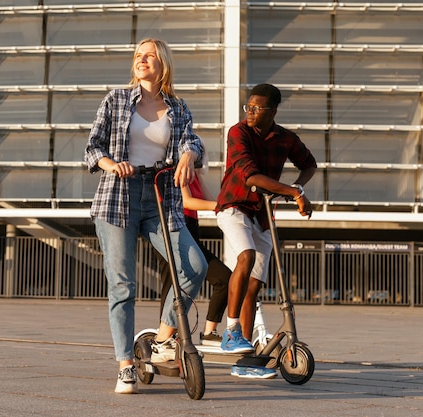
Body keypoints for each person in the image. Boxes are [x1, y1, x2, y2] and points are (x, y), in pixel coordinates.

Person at [84, 38, 208, 394]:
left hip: (160, 198)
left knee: (194, 266)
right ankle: (125, 364)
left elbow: (192, 141)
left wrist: (187, 156)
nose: (142, 60)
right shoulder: (117, 99)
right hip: (117, 197)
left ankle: (162, 339)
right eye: (138, 56)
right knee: (123, 285)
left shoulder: (178, 106)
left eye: (149, 56)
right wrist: (112, 164)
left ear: (162, 63)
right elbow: (93, 147)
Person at [215, 83, 317, 379]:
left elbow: (309, 164)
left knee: (254, 286)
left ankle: (244, 361)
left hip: (262, 215)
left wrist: (297, 187)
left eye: (257, 108)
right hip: (233, 207)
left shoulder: (285, 139)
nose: (250, 112)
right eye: (248, 106)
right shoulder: (238, 133)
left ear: (271, 111)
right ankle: (231, 330)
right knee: (244, 257)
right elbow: (250, 177)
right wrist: (295, 194)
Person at [157, 165, 231, 348]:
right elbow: (187, 201)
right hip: (174, 228)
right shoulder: (177, 168)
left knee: (224, 279)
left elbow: (208, 199)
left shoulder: (195, 174)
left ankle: (209, 333)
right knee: (172, 286)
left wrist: (231, 204)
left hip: (191, 230)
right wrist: (219, 206)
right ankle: (165, 338)